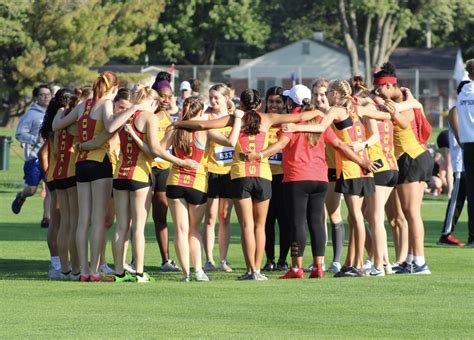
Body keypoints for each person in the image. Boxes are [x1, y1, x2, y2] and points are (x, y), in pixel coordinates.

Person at [177, 88, 327, 280]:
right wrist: (317, 111)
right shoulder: (269, 118)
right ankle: (257, 270)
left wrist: (178, 124)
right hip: (263, 176)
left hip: (241, 175)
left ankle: (250, 271)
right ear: (259, 104)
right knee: (260, 226)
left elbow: (202, 124)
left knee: (247, 226)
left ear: (241, 104)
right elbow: (301, 117)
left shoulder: (234, 119)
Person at [52, 71, 118, 282]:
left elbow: (57, 126)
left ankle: (81, 271)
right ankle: (93, 270)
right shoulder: (106, 104)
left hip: (80, 163)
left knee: (83, 220)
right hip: (100, 162)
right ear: (113, 89)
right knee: (98, 220)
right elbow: (110, 126)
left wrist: (63, 114)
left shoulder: (83, 105)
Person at [373, 62, 434, 274]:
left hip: (412, 157)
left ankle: (420, 261)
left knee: (411, 213)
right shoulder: (403, 99)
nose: (377, 92)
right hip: (410, 158)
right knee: (409, 213)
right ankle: (410, 259)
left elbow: (406, 121)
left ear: (390, 86)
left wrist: (391, 110)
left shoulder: (407, 101)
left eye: (379, 88)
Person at [42, 88, 81, 280]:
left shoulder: (55, 121)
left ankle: (60, 266)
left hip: (56, 173)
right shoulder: (70, 121)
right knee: (68, 222)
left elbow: (52, 152)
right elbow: (47, 153)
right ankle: (66, 266)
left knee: (62, 222)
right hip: (67, 173)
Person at [201, 84, 236, 272]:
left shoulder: (234, 118)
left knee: (225, 216)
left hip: (230, 171)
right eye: (211, 97)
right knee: (211, 216)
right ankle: (209, 259)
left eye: (217, 98)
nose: (213, 101)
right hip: (211, 170)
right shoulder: (206, 118)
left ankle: (223, 259)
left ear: (226, 98)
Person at [311, 79, 344, 273]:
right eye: (315, 94)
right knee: (318, 215)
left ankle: (337, 260)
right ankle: (319, 260)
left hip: (335, 169)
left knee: (334, 213)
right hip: (317, 169)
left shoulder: (335, 114)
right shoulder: (311, 115)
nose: (319, 98)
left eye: (323, 94)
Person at [148, 79, 181, 272]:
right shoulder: (146, 116)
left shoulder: (169, 117)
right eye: (163, 96)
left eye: (169, 96)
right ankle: (135, 260)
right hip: (146, 167)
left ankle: (166, 260)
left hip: (164, 168)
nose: (166, 100)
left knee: (161, 214)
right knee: (138, 216)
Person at [12, 84, 52, 229]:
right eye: (42, 94)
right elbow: (19, 133)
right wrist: (35, 139)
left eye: (48, 94)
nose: (46, 96)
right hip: (34, 158)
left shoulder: (55, 113)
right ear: (36, 98)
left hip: (50, 157)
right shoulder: (31, 114)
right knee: (32, 189)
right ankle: (21, 196)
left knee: (50, 188)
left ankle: (46, 218)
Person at [261, 86, 290, 272]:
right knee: (266, 221)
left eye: (278, 102)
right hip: (265, 177)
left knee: (285, 221)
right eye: (271, 101)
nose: (274, 105)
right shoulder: (262, 123)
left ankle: (283, 260)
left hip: (284, 178)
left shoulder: (288, 124)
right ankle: (269, 259)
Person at [438, 82, 469, 246]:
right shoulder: (455, 110)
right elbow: (461, 138)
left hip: (468, 164)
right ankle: (445, 234)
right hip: (461, 164)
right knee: (457, 200)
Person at [451, 63, 474, 246]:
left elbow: (453, 115)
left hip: (468, 146)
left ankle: (472, 236)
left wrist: (460, 141)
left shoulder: (463, 93)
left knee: (472, 194)